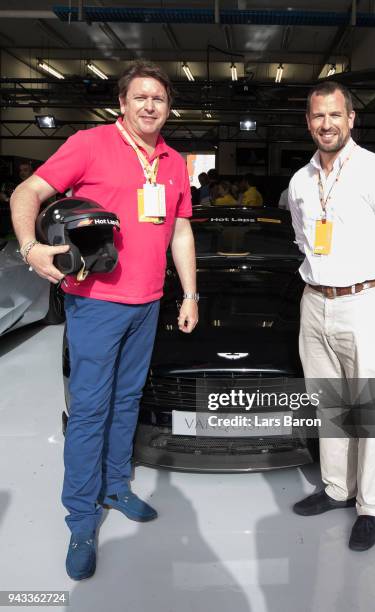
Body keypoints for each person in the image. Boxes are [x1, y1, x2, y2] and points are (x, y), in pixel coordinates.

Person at [10, 60, 199, 580]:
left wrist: (190, 293)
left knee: (127, 401)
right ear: (123, 103)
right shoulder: (91, 143)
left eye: (158, 99)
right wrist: (31, 248)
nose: (149, 106)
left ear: (168, 107)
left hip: (148, 303)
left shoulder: (173, 162)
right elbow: (28, 193)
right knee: (90, 410)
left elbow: (180, 231)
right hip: (96, 303)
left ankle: (116, 486)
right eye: (140, 97)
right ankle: (80, 518)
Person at [289, 81, 375, 551]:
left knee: (366, 410)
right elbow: (304, 242)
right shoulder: (301, 181)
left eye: (335, 115)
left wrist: (365, 288)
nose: (326, 124)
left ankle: (371, 504)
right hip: (314, 302)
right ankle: (336, 488)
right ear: (308, 122)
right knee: (328, 403)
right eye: (317, 116)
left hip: (364, 302)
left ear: (351, 119)